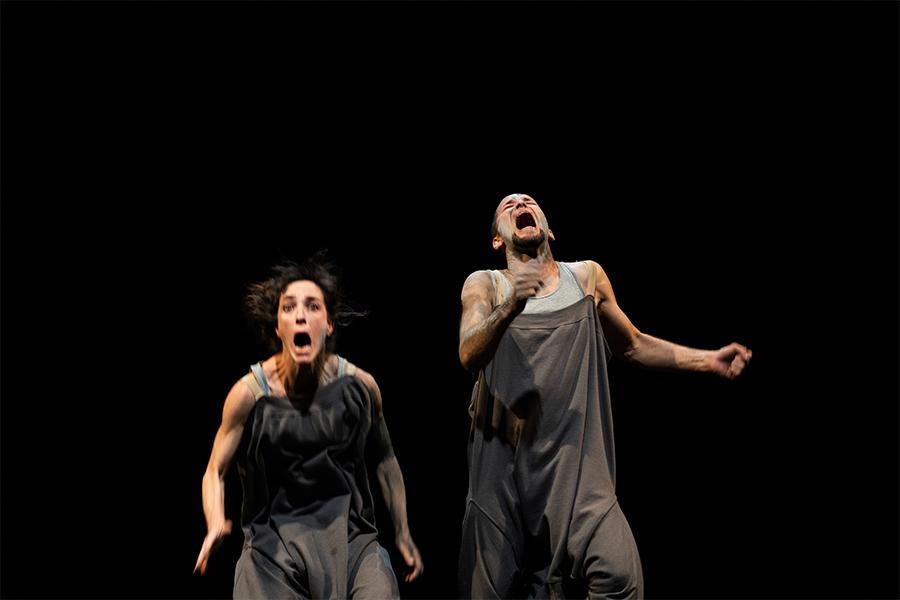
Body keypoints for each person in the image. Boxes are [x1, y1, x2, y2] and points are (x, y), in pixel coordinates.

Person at [457, 193, 751, 599]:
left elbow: (632, 344)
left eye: (529, 201)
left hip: (575, 469)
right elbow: (469, 351)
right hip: (503, 475)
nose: (520, 204)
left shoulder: (586, 278)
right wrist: (511, 304)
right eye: (507, 206)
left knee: (619, 576)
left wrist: (707, 361)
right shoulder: (485, 283)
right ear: (497, 240)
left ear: (549, 228)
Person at [194, 255, 424, 599]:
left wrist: (403, 532)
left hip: (351, 542)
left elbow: (385, 459)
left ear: (328, 325)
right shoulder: (248, 394)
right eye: (288, 308)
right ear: (278, 327)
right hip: (273, 549)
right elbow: (215, 469)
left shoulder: (360, 386)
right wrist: (214, 522)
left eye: (313, 306)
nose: (300, 314)